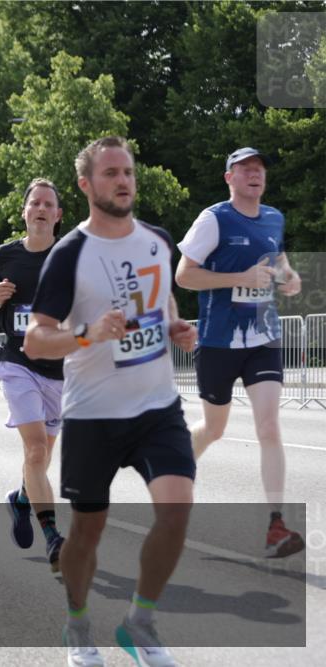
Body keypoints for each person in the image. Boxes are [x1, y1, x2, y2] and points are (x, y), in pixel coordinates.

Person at [23, 137, 198, 667]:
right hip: (93, 413)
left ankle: (140, 622)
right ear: (86, 185)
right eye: (111, 174)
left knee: (177, 510)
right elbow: (35, 339)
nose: (123, 181)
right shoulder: (70, 254)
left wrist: (173, 325)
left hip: (156, 407)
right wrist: (87, 334)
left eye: (128, 172)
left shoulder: (158, 240)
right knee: (87, 531)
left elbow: (162, 295)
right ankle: (78, 626)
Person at [175, 146, 304, 559]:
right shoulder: (213, 219)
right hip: (217, 342)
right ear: (229, 177)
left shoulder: (273, 218)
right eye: (245, 168)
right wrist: (238, 278)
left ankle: (276, 524)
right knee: (214, 430)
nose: (254, 174)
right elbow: (184, 275)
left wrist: (289, 278)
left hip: (263, 338)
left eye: (259, 169)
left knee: (269, 427)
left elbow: (277, 261)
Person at [0, 178, 66, 572]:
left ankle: (20, 499)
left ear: (58, 215)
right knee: (34, 450)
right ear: (25, 212)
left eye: (49, 204)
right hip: (17, 362)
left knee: (43, 456)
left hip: (60, 370)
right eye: (36, 203)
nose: (42, 209)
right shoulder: (4, 254)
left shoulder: (71, 256)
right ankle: (52, 536)